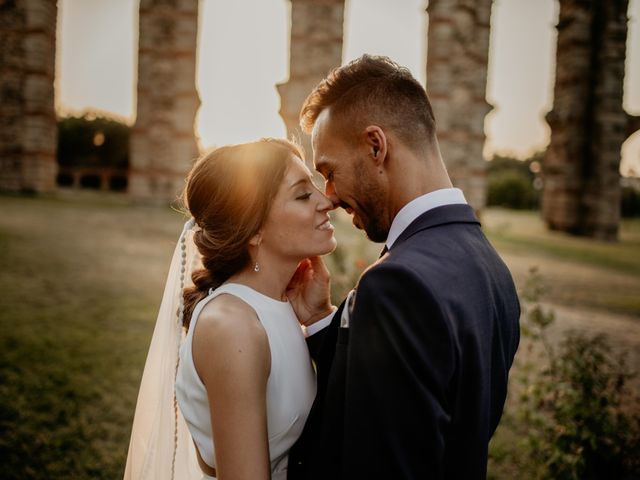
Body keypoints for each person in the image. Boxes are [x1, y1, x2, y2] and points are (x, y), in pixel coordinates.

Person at [285, 55, 521, 479]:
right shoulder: (490, 267)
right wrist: (323, 322)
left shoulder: (397, 283)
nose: (331, 195)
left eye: (330, 172)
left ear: (376, 146)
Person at [124, 138, 337, 480]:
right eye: (302, 194)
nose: (327, 201)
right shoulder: (231, 327)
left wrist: (318, 317)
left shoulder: (280, 307)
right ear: (253, 229)